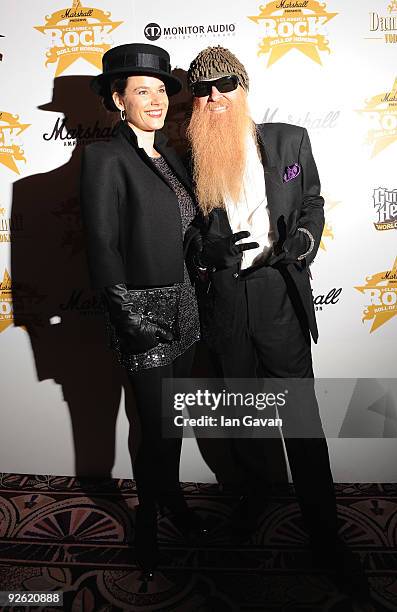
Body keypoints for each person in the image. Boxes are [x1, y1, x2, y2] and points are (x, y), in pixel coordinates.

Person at [186, 45, 370, 603]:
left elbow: (311, 199)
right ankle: (250, 505)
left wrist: (304, 241)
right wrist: (204, 249)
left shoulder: (289, 140)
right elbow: (185, 231)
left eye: (225, 83)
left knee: (302, 419)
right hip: (225, 299)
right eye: (203, 88)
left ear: (244, 87)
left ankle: (323, 529)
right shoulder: (184, 152)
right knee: (239, 414)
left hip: (277, 295)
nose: (214, 95)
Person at [80, 43, 206, 579]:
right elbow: (101, 242)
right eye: (141, 91)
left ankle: (172, 499)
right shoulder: (103, 157)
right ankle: (148, 525)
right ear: (117, 98)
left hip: (184, 305)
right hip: (140, 310)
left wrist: (209, 249)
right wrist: (122, 313)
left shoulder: (172, 157)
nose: (155, 100)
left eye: (160, 89)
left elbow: (185, 231)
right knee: (150, 427)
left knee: (172, 422)